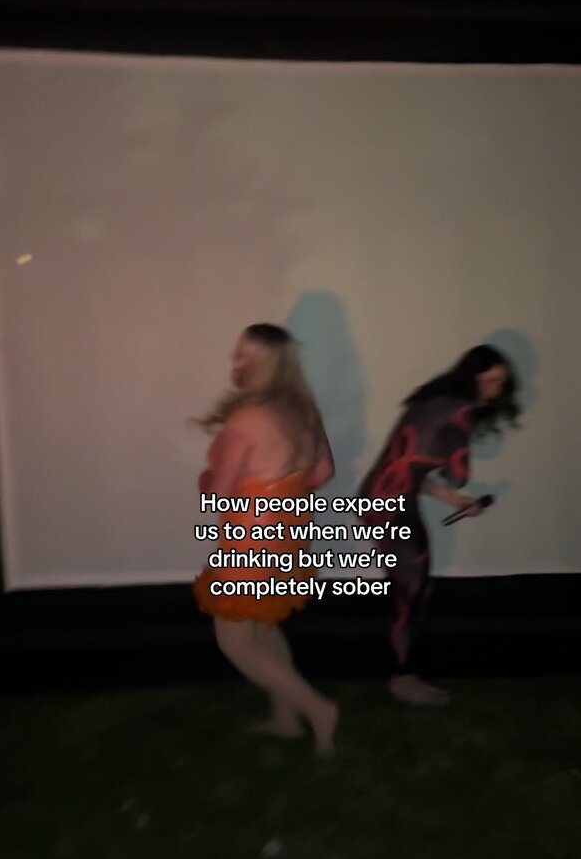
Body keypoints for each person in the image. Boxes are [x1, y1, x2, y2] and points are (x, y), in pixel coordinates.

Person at [193, 323, 339, 756]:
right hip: (289, 537)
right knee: (264, 629)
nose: (233, 360)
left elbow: (220, 496)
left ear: (264, 364)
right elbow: (324, 472)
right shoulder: (303, 411)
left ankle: (319, 710)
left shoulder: (245, 421)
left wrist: (208, 481)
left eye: (242, 355)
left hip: (251, 544)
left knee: (235, 642)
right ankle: (285, 719)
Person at [357, 344, 521, 707]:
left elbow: (409, 467)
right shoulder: (460, 410)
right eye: (489, 381)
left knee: (413, 589)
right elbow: (457, 474)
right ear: (470, 378)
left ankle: (405, 673)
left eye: (500, 383)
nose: (494, 391)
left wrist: (452, 500)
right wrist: (459, 470)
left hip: (383, 499)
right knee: (411, 591)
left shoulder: (433, 401)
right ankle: (402, 678)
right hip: (390, 505)